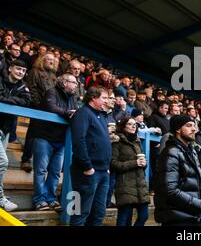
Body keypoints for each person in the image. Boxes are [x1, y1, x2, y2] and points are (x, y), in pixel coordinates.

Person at [154, 115, 201, 226]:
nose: (194, 129)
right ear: (178, 129)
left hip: (192, 215)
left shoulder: (191, 151)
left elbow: (194, 184)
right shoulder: (171, 153)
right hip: (178, 218)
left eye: (194, 126)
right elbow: (170, 191)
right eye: (189, 126)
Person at [31, 73, 78, 211]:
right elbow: (51, 107)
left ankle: (51, 199)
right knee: (41, 170)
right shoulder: (52, 92)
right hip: (44, 136)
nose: (76, 85)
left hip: (61, 139)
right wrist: (67, 112)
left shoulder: (73, 97)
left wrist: (71, 112)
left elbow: (76, 112)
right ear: (64, 83)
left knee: (56, 172)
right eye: (74, 82)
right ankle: (39, 200)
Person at [70, 87, 112, 226]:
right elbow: (78, 141)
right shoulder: (83, 113)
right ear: (93, 97)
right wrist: (87, 166)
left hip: (103, 171)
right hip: (87, 171)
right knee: (80, 213)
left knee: (99, 213)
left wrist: (106, 168)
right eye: (104, 98)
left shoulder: (100, 115)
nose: (106, 101)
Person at [0, 60, 31, 211]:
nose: (20, 72)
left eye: (23, 70)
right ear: (11, 68)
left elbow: (27, 102)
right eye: (18, 69)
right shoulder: (0, 78)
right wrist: (14, 101)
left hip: (5, 129)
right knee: (3, 161)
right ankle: (0, 198)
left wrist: (9, 100)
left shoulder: (22, 86)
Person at [110, 117, 150, 226]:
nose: (133, 126)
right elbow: (113, 164)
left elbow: (142, 163)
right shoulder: (117, 141)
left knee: (144, 215)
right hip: (125, 184)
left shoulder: (137, 141)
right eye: (130, 124)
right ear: (123, 126)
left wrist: (144, 164)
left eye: (135, 124)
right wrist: (135, 163)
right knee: (124, 219)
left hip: (140, 184)